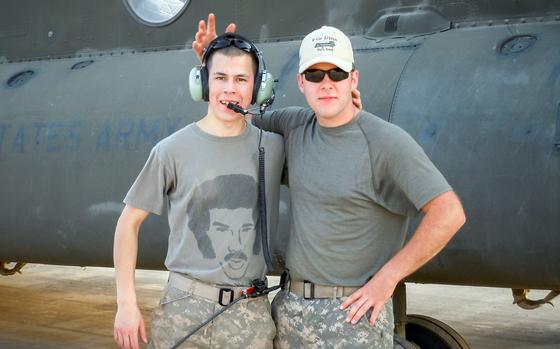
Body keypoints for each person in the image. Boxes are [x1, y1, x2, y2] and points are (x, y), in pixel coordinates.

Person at [194, 14, 466, 349]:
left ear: (353, 79)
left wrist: (388, 279)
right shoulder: (294, 124)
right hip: (289, 313)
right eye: (315, 73)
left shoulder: (384, 141)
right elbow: (236, 116)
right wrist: (215, 65)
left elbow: (449, 212)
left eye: (337, 73)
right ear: (300, 82)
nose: (327, 82)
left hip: (350, 321)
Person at [113, 31, 284, 349]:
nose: (229, 88)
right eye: (219, 77)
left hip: (248, 315)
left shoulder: (273, 148)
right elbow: (127, 224)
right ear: (203, 84)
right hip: (183, 310)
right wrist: (126, 303)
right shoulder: (171, 150)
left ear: (259, 88)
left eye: (241, 79)